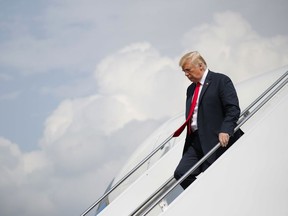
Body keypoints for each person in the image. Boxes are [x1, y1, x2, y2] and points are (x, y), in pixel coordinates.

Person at [173, 51, 243, 189]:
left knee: (216, 176)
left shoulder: (220, 80)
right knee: (181, 173)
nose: (186, 74)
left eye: (188, 70)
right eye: (184, 72)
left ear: (200, 66)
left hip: (216, 137)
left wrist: (226, 130)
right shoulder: (191, 89)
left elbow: (233, 108)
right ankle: (200, 196)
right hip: (195, 140)